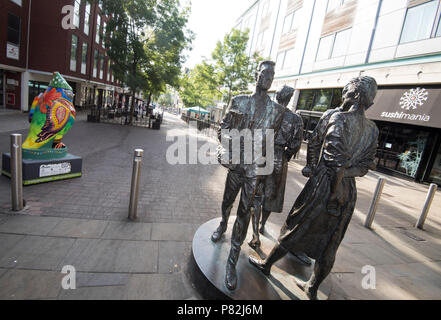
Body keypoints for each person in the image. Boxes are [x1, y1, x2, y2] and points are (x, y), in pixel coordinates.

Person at [249, 76, 380, 300]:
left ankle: (267, 264)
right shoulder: (372, 129)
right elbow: (365, 166)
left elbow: (333, 160)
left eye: (347, 90)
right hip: (348, 191)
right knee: (332, 241)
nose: (344, 92)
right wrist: (346, 176)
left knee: (295, 225)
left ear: (356, 95)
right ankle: (312, 287)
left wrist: (335, 185)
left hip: (325, 185)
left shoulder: (339, 118)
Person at [212, 61, 286, 291]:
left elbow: (272, 143)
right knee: (227, 203)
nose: (268, 78)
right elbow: (223, 129)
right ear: (256, 75)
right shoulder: (239, 101)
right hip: (236, 165)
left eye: (272, 75)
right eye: (265, 73)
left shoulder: (278, 111)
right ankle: (223, 223)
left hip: (255, 170)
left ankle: (232, 260)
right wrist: (225, 149)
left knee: (244, 212)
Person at [248, 86, 304, 250]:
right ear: (290, 99)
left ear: (277, 96)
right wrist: (284, 156)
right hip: (279, 157)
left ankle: (255, 233)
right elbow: (296, 143)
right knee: (271, 195)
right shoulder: (295, 119)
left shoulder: (266, 111)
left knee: (256, 193)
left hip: (262, 153)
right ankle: (262, 224)